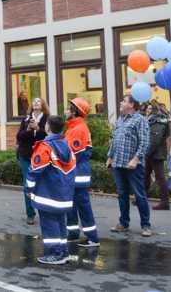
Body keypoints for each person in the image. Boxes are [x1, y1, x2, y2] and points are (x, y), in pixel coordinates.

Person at [27, 115, 76, 265]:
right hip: (63, 194)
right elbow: (72, 168)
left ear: (47, 127)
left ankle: (56, 254)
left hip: (47, 194)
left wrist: (28, 189)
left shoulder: (45, 146)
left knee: (49, 225)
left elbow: (34, 170)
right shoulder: (66, 145)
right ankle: (63, 251)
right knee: (60, 223)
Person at [107, 94, 152, 237]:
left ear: (132, 105)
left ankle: (146, 225)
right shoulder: (120, 120)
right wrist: (110, 156)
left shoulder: (140, 120)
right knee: (122, 194)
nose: (121, 102)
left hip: (134, 165)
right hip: (118, 163)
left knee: (139, 195)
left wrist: (136, 159)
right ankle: (123, 223)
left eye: (124, 101)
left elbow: (144, 142)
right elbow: (115, 140)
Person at [64, 98, 99, 248]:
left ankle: (92, 238)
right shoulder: (74, 127)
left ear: (74, 111)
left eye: (67, 109)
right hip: (75, 173)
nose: (65, 111)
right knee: (71, 205)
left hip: (77, 174)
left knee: (83, 206)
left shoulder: (78, 129)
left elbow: (72, 154)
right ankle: (73, 233)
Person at [15, 98, 48, 225]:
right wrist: (29, 129)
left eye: (38, 101)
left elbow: (47, 136)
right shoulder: (26, 119)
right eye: (33, 101)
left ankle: (43, 211)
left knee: (41, 184)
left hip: (41, 157)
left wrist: (38, 128)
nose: (35, 103)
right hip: (26, 155)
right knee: (27, 185)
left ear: (43, 105)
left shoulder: (47, 118)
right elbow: (19, 136)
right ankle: (30, 214)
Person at [145, 102, 171, 210]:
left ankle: (165, 202)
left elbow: (155, 140)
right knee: (145, 175)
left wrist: (146, 153)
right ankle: (141, 198)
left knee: (160, 178)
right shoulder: (153, 119)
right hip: (152, 153)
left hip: (155, 154)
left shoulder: (158, 120)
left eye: (149, 109)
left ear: (154, 110)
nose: (147, 110)